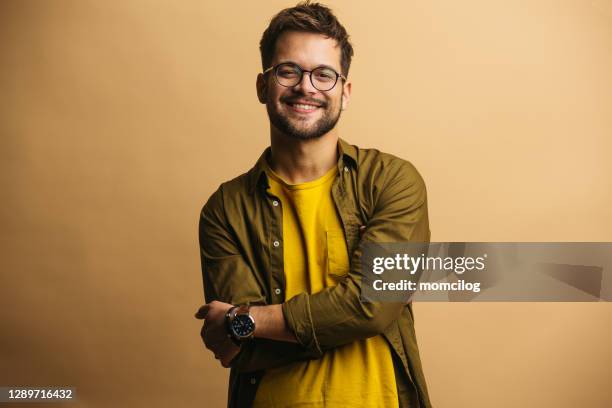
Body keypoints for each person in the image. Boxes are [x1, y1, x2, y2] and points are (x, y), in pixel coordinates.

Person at [195, 2, 432, 407]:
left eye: (324, 74)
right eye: (288, 71)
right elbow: (243, 350)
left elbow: (374, 306)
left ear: (345, 90)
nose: (307, 87)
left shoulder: (392, 181)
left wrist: (250, 320)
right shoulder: (224, 209)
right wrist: (351, 314)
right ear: (262, 86)